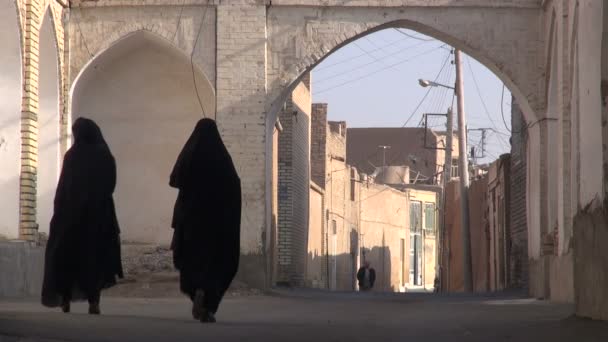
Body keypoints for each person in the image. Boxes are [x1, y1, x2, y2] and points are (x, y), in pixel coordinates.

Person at [41, 117, 123, 315]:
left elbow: (63, 186)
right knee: (94, 257)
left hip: (70, 216)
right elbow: (110, 184)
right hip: (98, 215)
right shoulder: (105, 155)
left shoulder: (72, 156)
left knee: (67, 256)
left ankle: (65, 299)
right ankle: (94, 302)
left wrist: (59, 211)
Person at [170, 118, 241, 323]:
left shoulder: (191, 155)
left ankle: (197, 293)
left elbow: (175, 179)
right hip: (217, 228)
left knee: (192, 262)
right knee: (217, 265)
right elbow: (235, 190)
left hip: (192, 225)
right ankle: (208, 306)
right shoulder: (223, 160)